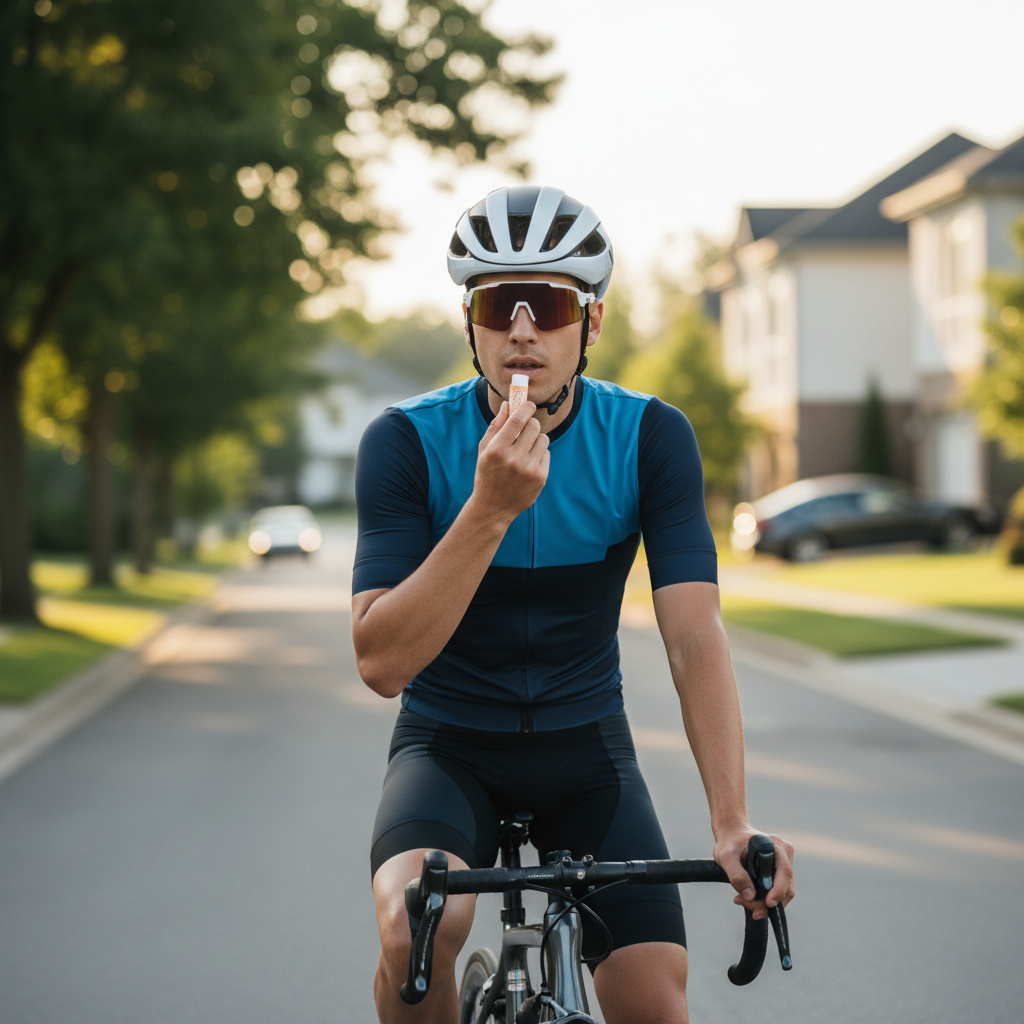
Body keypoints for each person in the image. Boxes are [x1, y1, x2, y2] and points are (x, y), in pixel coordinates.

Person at [352, 185, 795, 1024]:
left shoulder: (649, 437)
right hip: (448, 750)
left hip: (586, 754)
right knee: (417, 929)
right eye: (497, 304)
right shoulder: (405, 441)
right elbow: (380, 664)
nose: (523, 327)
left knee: (655, 1002)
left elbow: (695, 639)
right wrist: (487, 509)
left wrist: (733, 824)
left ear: (589, 325)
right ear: (471, 322)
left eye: (550, 303)